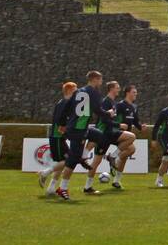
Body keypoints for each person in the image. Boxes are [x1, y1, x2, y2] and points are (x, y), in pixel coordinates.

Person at [56, 71, 105, 200]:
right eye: (100, 80)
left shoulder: (78, 91)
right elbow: (97, 110)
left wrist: (62, 123)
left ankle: (84, 154)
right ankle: (63, 188)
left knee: (100, 136)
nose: (101, 82)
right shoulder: (93, 92)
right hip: (78, 130)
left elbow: (66, 107)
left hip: (79, 128)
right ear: (95, 79)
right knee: (72, 160)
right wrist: (109, 114)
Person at [39, 81, 78, 195]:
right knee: (68, 161)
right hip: (57, 136)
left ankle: (51, 188)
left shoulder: (64, 102)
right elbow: (58, 119)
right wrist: (66, 130)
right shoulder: (65, 102)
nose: (77, 92)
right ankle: (45, 173)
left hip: (59, 137)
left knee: (62, 162)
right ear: (69, 90)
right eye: (75, 90)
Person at [106, 84, 142, 188]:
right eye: (133, 92)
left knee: (128, 153)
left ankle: (116, 180)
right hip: (119, 133)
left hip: (127, 135)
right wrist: (118, 126)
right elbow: (113, 117)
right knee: (131, 149)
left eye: (136, 92)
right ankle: (113, 157)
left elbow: (135, 120)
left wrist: (141, 127)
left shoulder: (134, 106)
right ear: (127, 93)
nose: (136, 94)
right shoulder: (120, 105)